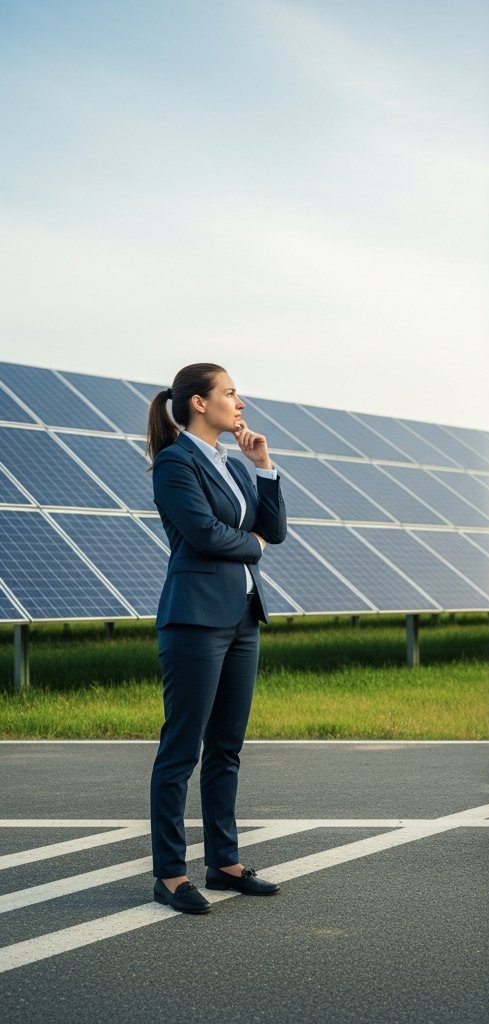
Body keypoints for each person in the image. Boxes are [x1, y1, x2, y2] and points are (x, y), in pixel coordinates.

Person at [146, 363, 287, 914]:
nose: (241, 403)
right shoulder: (175, 463)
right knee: (181, 749)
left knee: (226, 748)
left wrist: (265, 467)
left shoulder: (230, 465)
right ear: (200, 403)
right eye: (230, 392)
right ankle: (170, 875)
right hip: (194, 620)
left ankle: (224, 863)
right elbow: (205, 535)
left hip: (242, 617)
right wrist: (250, 544)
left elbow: (272, 531)